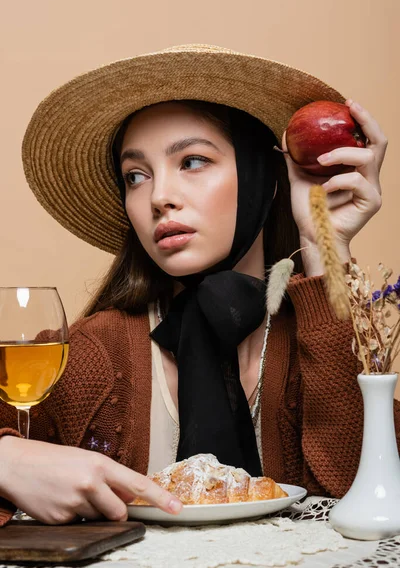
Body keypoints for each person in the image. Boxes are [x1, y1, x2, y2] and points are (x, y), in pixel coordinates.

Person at [0, 44, 399, 526]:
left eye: (191, 161)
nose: (160, 197)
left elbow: (362, 489)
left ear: (263, 177)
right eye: (136, 176)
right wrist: (9, 459)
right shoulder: (94, 353)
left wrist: (324, 251)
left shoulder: (319, 345)